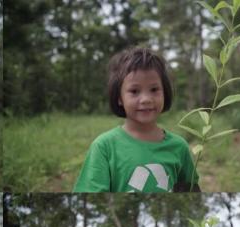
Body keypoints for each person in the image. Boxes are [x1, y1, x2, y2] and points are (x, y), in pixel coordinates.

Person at [73, 47, 199, 192]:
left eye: (154, 90)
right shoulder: (104, 147)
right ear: (119, 98)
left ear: (165, 93)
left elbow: (191, 191)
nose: (146, 99)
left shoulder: (179, 147)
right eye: (134, 91)